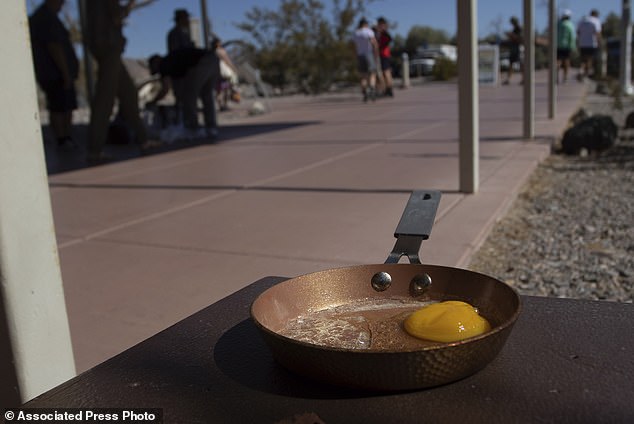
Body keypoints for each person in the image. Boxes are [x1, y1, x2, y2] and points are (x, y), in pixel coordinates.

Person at [84, 0, 160, 163]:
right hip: (109, 47)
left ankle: (144, 140)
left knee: (129, 95)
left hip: (107, 47)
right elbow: (116, 16)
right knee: (105, 100)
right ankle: (95, 150)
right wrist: (129, 7)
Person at [29, 0, 79, 149]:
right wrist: (65, 73)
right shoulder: (46, 17)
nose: (62, 4)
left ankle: (65, 138)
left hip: (54, 73)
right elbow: (54, 46)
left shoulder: (47, 16)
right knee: (59, 106)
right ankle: (63, 139)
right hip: (54, 74)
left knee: (63, 105)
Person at [148, 47, 220, 138]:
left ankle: (192, 128)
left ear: (156, 62)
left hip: (201, 62)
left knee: (189, 97)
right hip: (213, 59)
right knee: (207, 95)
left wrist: (153, 102)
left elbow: (165, 89)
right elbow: (178, 86)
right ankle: (211, 127)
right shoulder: (174, 61)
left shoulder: (164, 64)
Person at [353, 18, 379, 102]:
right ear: (365, 24)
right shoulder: (368, 31)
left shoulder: (356, 33)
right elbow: (374, 42)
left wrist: (355, 56)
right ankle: (372, 89)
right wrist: (376, 53)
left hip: (360, 55)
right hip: (368, 53)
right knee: (372, 73)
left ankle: (365, 91)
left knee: (363, 75)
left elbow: (354, 46)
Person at [211, 37, 240, 111]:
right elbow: (227, 60)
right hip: (224, 73)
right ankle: (225, 105)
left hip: (216, 72)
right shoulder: (220, 51)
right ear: (217, 43)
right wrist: (233, 68)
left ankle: (221, 105)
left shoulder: (212, 52)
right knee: (225, 89)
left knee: (219, 90)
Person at [577, 9, 602, 81]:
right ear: (596, 15)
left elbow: (578, 32)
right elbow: (597, 33)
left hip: (582, 43)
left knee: (583, 59)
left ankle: (581, 70)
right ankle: (585, 75)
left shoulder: (582, 21)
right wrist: (599, 42)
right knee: (589, 59)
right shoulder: (596, 21)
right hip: (592, 44)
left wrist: (579, 41)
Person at [375, 17, 394, 97]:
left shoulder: (384, 33)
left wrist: (381, 47)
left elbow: (389, 40)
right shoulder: (383, 32)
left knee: (386, 72)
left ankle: (389, 89)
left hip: (384, 54)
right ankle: (388, 89)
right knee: (385, 72)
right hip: (384, 54)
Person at [556, 9, 576, 84]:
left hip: (557, 45)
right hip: (567, 46)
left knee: (558, 61)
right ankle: (565, 77)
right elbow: (572, 36)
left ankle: (556, 76)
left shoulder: (558, 24)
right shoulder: (569, 24)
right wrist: (573, 46)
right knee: (566, 61)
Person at [503, 16, 522, 85]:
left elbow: (519, 39)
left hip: (517, 49)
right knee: (511, 64)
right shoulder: (515, 29)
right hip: (513, 48)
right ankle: (508, 79)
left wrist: (511, 35)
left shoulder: (519, 29)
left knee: (520, 64)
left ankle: (524, 79)